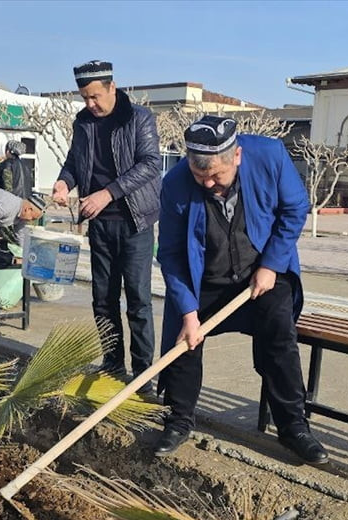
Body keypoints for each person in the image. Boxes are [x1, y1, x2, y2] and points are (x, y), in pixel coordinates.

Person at [153, 115, 327, 466]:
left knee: (279, 334)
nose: (208, 184)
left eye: (216, 175)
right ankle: (178, 420)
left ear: (237, 156)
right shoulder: (175, 183)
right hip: (205, 279)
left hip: (260, 272)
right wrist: (188, 313)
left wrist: (271, 265)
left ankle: (293, 426)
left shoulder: (270, 156)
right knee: (183, 341)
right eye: (200, 176)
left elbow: (295, 208)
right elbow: (170, 254)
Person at [51, 60, 160, 388]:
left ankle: (142, 374)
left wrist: (107, 194)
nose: (90, 104)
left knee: (138, 301)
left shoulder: (139, 118)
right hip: (99, 225)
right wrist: (63, 182)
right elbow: (74, 162)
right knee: (103, 300)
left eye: (95, 96)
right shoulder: (83, 122)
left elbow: (150, 164)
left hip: (134, 222)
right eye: (84, 97)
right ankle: (112, 363)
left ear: (112, 87)